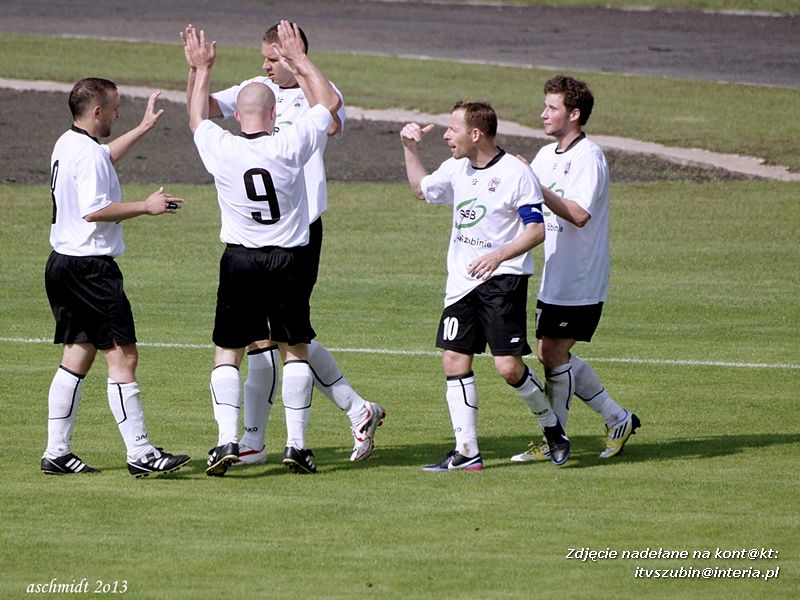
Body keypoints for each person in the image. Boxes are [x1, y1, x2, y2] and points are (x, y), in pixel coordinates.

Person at [181, 22, 384, 467]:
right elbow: (205, 104)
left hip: (299, 229)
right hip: (280, 240)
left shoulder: (318, 89)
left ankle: (254, 438)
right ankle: (336, 416)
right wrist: (196, 73)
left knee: (278, 338)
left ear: (294, 56)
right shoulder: (257, 90)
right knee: (278, 337)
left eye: (274, 58)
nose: (266, 65)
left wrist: (203, 67)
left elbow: (330, 117)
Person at [400, 101, 570, 471]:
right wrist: (409, 149)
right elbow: (421, 190)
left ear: (475, 134)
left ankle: (553, 429)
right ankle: (467, 451)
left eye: (453, 129)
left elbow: (536, 230)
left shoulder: (515, 174)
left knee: (508, 367)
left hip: (502, 280)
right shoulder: (456, 168)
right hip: (461, 285)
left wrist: (498, 256)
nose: (446, 136)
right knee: (453, 360)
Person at [42, 77, 190, 478]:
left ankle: (56, 452)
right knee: (124, 356)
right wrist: (146, 206)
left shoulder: (68, 142)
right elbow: (94, 210)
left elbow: (104, 156)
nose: (117, 115)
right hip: (91, 271)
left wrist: (142, 128)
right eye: (114, 109)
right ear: (97, 112)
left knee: (77, 354)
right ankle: (140, 452)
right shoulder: (87, 154)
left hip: (63, 264)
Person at [511, 75, 640, 463]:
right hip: (555, 274)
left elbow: (580, 214)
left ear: (574, 114)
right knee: (549, 353)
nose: (543, 114)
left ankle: (557, 439)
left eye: (552, 108)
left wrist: (535, 184)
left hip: (581, 276)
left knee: (552, 352)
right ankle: (616, 418)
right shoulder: (545, 155)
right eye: (545, 106)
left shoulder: (589, 157)